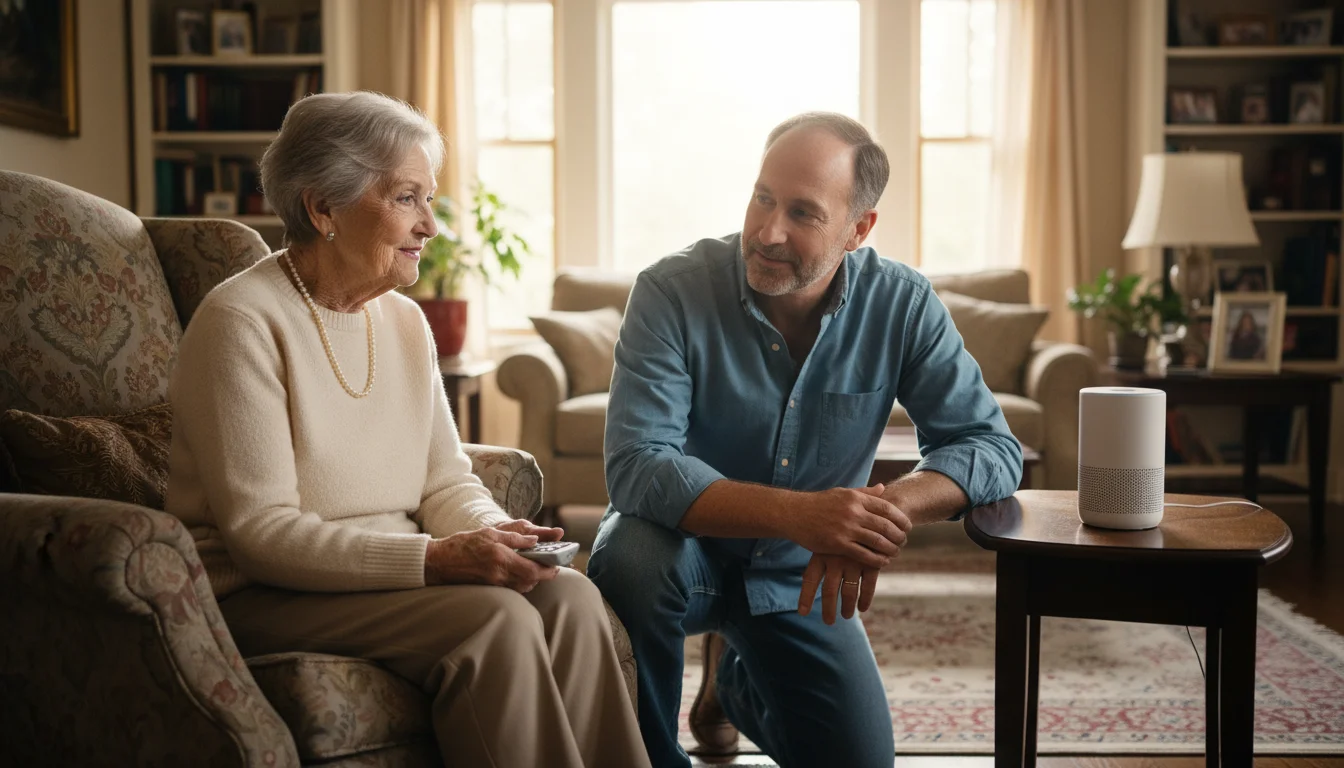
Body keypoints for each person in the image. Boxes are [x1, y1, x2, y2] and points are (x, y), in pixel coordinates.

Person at [165, 91, 650, 768]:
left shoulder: (402, 322)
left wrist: (488, 532)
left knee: (566, 595)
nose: (430, 225)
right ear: (322, 207)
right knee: (498, 623)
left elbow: (444, 479)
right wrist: (437, 559)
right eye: (406, 198)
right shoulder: (242, 322)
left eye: (429, 199)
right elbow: (262, 535)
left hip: (381, 580)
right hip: (265, 593)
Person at [587, 112, 1022, 768]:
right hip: (684, 557)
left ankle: (735, 689)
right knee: (630, 555)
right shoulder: (669, 291)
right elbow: (637, 465)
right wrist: (804, 514)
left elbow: (992, 447)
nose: (767, 232)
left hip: (800, 577)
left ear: (858, 229)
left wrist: (882, 511)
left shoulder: (901, 303)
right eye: (762, 198)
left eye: (802, 213)